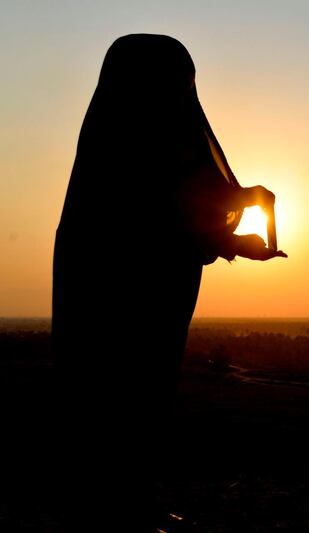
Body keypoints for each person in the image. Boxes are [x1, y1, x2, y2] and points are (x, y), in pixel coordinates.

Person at [52, 34, 285, 531]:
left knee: (149, 396)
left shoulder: (151, 139)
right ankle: (109, 512)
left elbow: (182, 209)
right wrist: (236, 212)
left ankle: (134, 502)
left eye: (190, 83)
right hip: (112, 301)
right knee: (113, 395)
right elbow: (146, 215)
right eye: (176, 82)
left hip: (162, 295)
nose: (185, 94)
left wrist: (234, 227)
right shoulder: (116, 147)